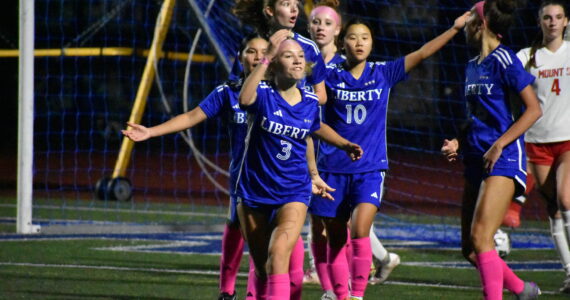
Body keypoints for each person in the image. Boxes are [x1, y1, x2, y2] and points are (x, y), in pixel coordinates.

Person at [309, 10, 470, 299]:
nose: (359, 43)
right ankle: (340, 294)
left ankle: (356, 295)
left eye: (365, 38)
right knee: (335, 238)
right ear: (342, 42)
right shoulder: (327, 74)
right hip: (332, 167)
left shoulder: (382, 72)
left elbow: (422, 53)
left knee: (359, 230)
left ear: (371, 43)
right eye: (353, 38)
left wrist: (455, 29)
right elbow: (313, 115)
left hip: (370, 168)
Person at [122, 34, 269, 300]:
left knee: (271, 243)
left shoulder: (284, 92)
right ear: (240, 57)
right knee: (237, 228)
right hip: (244, 179)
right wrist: (151, 132)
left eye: (264, 51)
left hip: (279, 180)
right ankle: (227, 292)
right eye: (251, 51)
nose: (258, 56)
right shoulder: (228, 92)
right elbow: (192, 116)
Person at [236, 30, 362, 300]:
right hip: (254, 190)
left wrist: (343, 144)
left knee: (279, 255)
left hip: (293, 190)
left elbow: (314, 130)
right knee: (261, 268)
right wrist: (266, 56)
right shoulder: (263, 95)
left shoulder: (309, 102)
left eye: (300, 56)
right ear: (275, 62)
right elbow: (244, 100)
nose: (296, 60)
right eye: (288, 55)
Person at [440, 1, 543, 299]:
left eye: (469, 16)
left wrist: (500, 144)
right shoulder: (473, 65)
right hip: (476, 156)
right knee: (469, 249)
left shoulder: (505, 59)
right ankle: (523, 290)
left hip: (504, 157)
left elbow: (533, 110)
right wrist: (458, 142)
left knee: (482, 238)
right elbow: (476, 117)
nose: (463, 21)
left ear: (480, 23)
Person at [305, 1, 400, 295]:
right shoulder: (302, 59)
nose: (320, 28)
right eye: (315, 22)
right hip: (316, 153)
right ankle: (339, 284)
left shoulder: (339, 68)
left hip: (345, 158)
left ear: (338, 32)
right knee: (321, 226)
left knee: (347, 227)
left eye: (327, 23)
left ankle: (344, 287)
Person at [516, 0, 570, 293]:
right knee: (554, 210)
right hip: (537, 141)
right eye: (547, 17)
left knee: (565, 199)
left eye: (558, 17)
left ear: (566, 22)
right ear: (540, 21)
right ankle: (569, 272)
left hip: (567, 140)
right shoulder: (526, 57)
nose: (552, 22)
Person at [233, 0, 328, 104]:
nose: (294, 9)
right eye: (286, 4)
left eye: (296, 4)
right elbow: (237, 89)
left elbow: (321, 95)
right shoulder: (252, 46)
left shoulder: (309, 47)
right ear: (270, 11)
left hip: (295, 119)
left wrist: (292, 105)